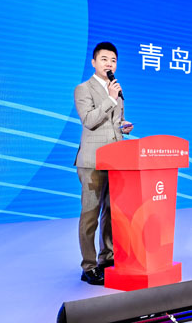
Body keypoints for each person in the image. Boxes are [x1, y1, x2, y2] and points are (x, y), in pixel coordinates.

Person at [74, 41, 133, 285]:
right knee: (90, 214)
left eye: (113, 60)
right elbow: (89, 120)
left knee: (111, 213)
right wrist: (110, 98)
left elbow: (113, 122)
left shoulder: (116, 89)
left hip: (115, 160)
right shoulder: (83, 89)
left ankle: (106, 258)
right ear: (94, 62)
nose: (109, 64)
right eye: (104, 59)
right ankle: (88, 267)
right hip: (92, 161)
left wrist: (123, 126)